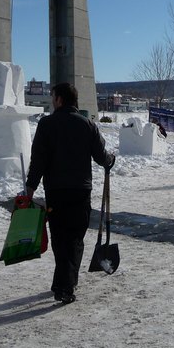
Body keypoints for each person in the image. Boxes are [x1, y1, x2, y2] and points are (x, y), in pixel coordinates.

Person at [25, 83, 116, 304]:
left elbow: (38, 159)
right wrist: (110, 160)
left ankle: (63, 283)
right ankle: (66, 285)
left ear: (59, 99)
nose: (51, 101)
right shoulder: (87, 125)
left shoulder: (46, 124)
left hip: (55, 191)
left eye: (53, 97)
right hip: (80, 191)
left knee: (60, 238)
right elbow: (101, 156)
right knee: (74, 238)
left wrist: (31, 187)